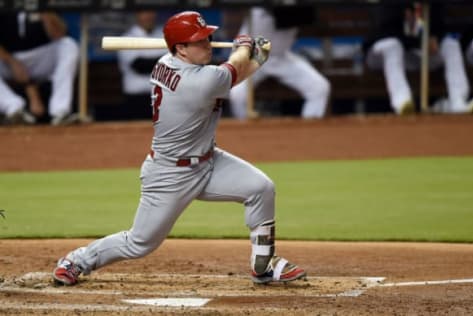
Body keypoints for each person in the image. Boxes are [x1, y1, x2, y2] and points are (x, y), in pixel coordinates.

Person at [52, 11, 306, 286]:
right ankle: (77, 260)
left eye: (207, 37)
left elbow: (228, 77)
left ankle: (264, 265)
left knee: (261, 188)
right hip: (170, 173)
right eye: (198, 41)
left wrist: (255, 58)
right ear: (181, 49)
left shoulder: (170, 63)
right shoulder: (197, 80)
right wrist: (245, 47)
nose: (207, 43)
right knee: (140, 243)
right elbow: (229, 72)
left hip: (209, 161)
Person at [363, 2, 473, 115]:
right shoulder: (392, 6)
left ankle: (459, 102)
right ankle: (402, 102)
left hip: (414, 54)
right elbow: (384, 29)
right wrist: (418, 41)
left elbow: (439, 26)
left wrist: (435, 38)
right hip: (381, 53)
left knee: (451, 45)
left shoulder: (431, 5)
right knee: (393, 45)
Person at [229, 6, 331, 119]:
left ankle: (309, 130)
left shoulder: (300, 8)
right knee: (237, 94)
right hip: (252, 57)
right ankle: (245, 130)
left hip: (281, 58)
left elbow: (307, 16)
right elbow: (276, 11)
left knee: (319, 87)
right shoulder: (259, 8)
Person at [0, 11, 79, 125]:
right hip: (7, 59)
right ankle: (13, 110)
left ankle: (60, 112)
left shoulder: (45, 4)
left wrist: (46, 12)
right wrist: (11, 61)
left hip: (41, 57)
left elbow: (59, 35)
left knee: (68, 45)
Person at [117, 11, 168, 120]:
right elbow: (140, 66)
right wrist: (165, 61)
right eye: (143, 12)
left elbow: (175, 63)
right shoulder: (127, 38)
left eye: (150, 12)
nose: (148, 16)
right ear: (137, 14)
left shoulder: (165, 35)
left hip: (163, 97)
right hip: (136, 98)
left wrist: (168, 62)